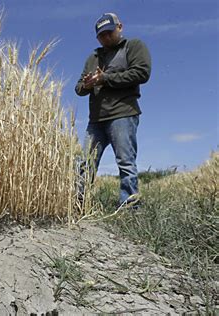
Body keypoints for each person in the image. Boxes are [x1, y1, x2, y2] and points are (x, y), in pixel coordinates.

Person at [75, 13, 151, 208]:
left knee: (125, 162)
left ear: (120, 27)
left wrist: (105, 78)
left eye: (109, 32)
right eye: (102, 35)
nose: (106, 37)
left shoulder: (133, 46)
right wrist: (88, 84)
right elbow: (78, 89)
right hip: (96, 120)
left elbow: (142, 73)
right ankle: (77, 204)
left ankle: (130, 207)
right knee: (85, 164)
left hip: (123, 114)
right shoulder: (93, 57)